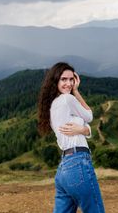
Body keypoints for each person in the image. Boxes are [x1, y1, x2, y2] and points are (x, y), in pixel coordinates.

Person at [38, 62, 105, 213]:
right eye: (63, 79)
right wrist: (76, 91)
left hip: (64, 169)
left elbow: (85, 126)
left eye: (71, 79)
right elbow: (89, 115)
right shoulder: (67, 99)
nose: (68, 83)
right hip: (77, 162)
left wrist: (84, 130)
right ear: (55, 81)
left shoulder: (54, 105)